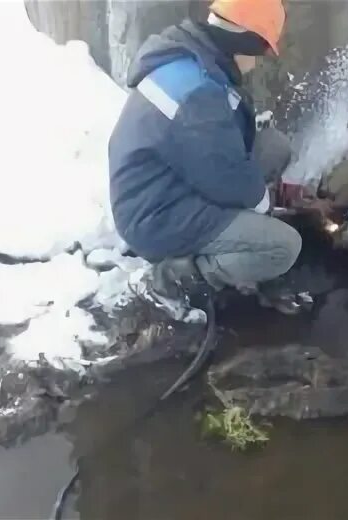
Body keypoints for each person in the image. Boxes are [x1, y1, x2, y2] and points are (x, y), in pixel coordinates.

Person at [108, 0, 306, 314]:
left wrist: (265, 193)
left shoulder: (191, 58)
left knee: (274, 147)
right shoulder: (197, 92)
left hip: (164, 181)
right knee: (283, 246)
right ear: (242, 42)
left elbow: (219, 153)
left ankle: (235, 234)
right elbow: (225, 179)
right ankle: (177, 278)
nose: (256, 63)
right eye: (258, 53)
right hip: (156, 214)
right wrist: (264, 206)